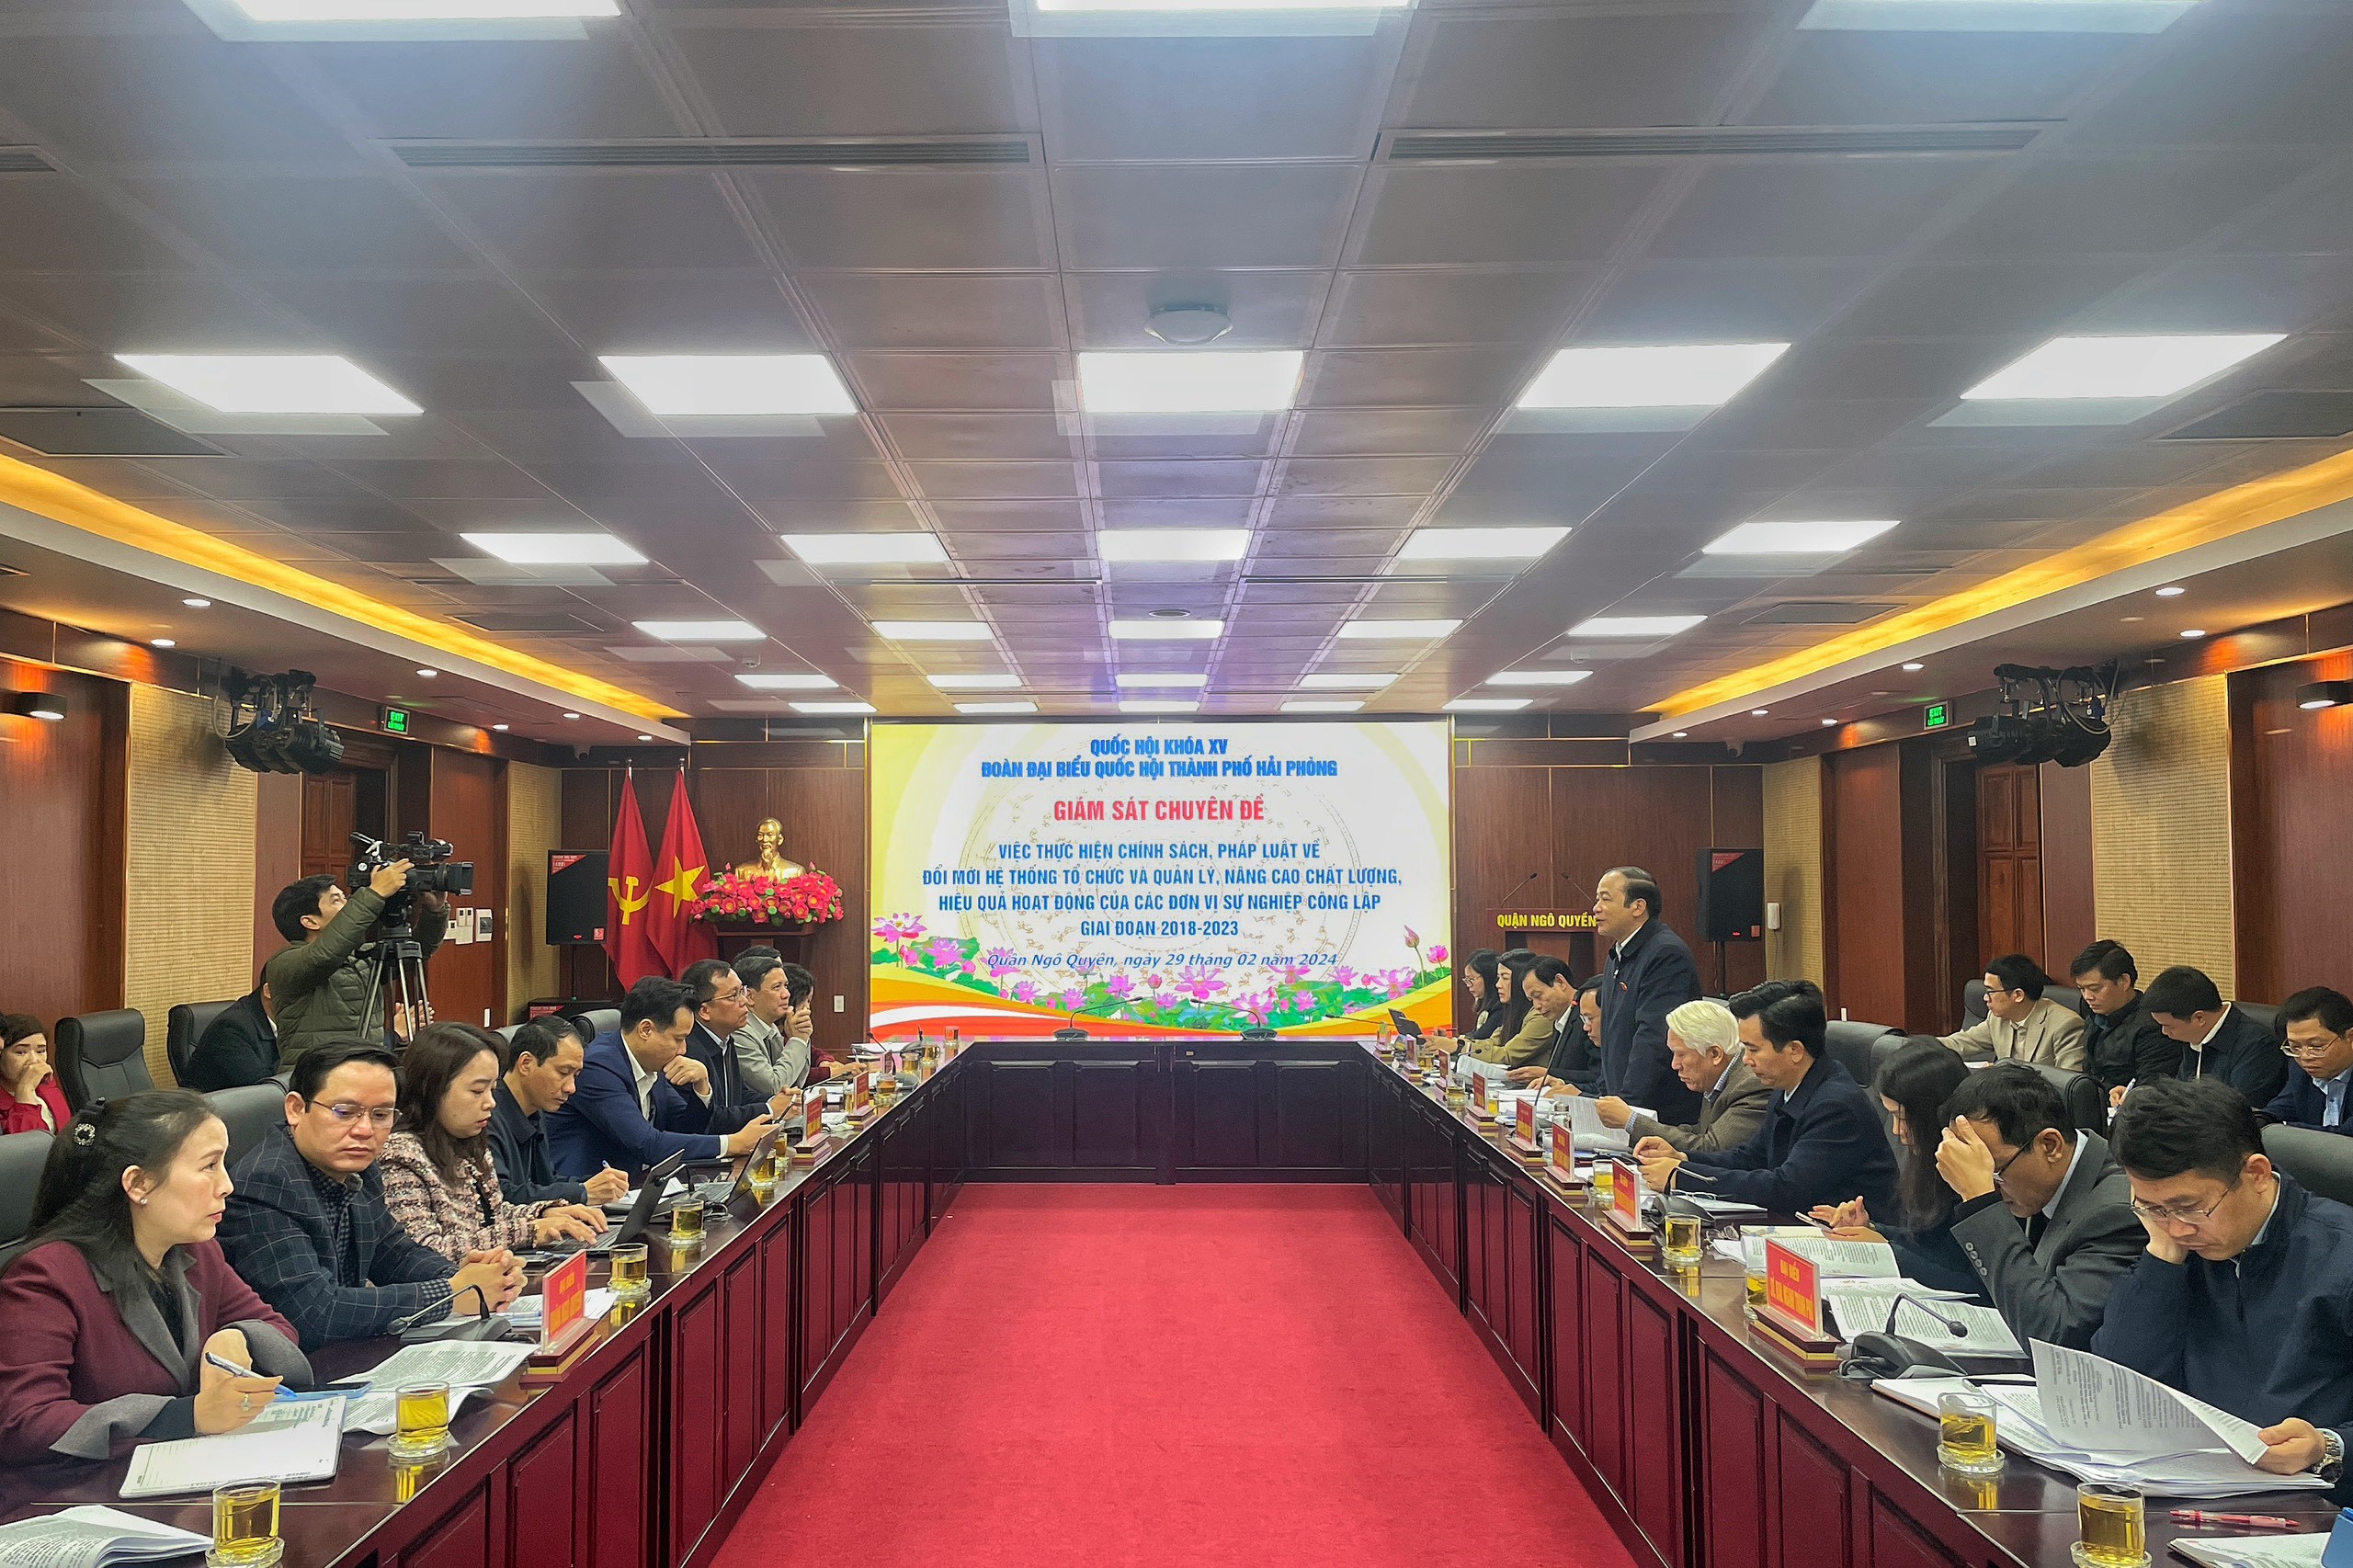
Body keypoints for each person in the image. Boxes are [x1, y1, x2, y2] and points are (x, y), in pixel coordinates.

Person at [0, 1092, 310, 1463]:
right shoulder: (46, 1276)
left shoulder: (195, 1251)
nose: (227, 1185)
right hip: (87, 1486)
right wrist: (184, 1415)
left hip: (188, 1468)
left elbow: (278, 1327)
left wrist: (236, 1337)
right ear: (139, 1184)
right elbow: (24, 1422)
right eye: (209, 1166)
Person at [2093, 1077, 2353, 1486]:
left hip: (2307, 1500)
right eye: (2151, 1207)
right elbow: (2120, 1385)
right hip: (2187, 1481)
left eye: (2189, 1207)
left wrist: (2330, 1446)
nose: (2177, 1228)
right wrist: (2162, 1257)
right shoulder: (2179, 1246)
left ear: (2257, 1174)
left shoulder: (2342, 1257)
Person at [217, 1040, 522, 1349]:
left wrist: (471, 1277)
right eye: (345, 1112)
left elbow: (393, 1252)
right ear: (296, 1109)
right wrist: (451, 1293)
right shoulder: (265, 1184)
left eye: (380, 1115)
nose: (364, 1130)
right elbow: (314, 1314)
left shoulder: (359, 1167)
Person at [1639, 980, 1898, 1218]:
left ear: (1795, 1050)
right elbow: (1750, 1158)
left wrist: (1682, 1177)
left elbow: (1786, 1189)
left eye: (1753, 1049)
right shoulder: (1789, 1087)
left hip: (1846, 1239)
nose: (1746, 1060)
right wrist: (1682, 1158)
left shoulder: (1836, 1107)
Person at [1932, 1064, 2143, 1348]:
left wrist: (1980, 1200)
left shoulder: (2116, 1212)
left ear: (2050, 1145)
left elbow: (2052, 1334)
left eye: (1994, 1172)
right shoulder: (2040, 1183)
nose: (1991, 1188)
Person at [380, 1025, 606, 1264]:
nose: (491, 1103)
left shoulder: (468, 1142)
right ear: (432, 1088)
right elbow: (423, 1252)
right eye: (478, 1091)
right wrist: (529, 1230)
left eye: (492, 1090)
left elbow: (495, 1214)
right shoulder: (400, 1157)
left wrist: (544, 1213)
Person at [546, 977, 777, 1181]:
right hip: (583, 1193)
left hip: (634, 1187)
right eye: (678, 1039)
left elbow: (685, 1129)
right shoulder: (598, 1068)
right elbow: (648, 1144)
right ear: (646, 1030)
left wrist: (702, 1086)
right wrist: (733, 1143)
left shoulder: (651, 1065)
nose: (683, 1050)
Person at [1813, 1040, 1978, 1296]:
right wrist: (1870, 1230)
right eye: (1892, 1116)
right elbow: (1927, 1241)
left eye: (1903, 1118)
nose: (1896, 1130)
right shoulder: (1927, 1161)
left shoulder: (1977, 1174)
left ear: (1933, 1114)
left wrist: (1887, 1251)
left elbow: (1975, 1283)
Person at [260, 867, 447, 1069]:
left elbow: (416, 950)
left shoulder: (360, 956)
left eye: (345, 897)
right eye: (336, 900)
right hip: (317, 1075)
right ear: (310, 921)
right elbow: (324, 955)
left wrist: (435, 912)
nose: (348, 905)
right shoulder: (284, 962)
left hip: (364, 1071)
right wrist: (374, 894)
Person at [1593, 867, 1703, 1125]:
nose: (1596, 908)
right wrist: (1604, 1095)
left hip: (1656, 1111)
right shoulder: (1617, 954)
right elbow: (1612, 1035)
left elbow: (1654, 1037)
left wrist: (1627, 1105)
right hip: (1622, 1105)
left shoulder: (1665, 954)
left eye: (1605, 899)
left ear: (1638, 906)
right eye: (1597, 899)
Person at [1591, 998, 1769, 1154]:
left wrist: (1631, 1121)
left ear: (1715, 1054)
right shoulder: (1718, 1077)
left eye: (1680, 1054)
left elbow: (1712, 1148)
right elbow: (1700, 1132)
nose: (1674, 1065)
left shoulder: (1751, 1085)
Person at [492, 1017, 630, 1208]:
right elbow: (501, 1196)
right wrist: (582, 1192)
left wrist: (593, 1185)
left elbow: (545, 1182)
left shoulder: (535, 1109)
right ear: (526, 1063)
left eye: (576, 1075)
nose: (571, 1088)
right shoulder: (485, 1116)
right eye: (563, 1072)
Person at [2142, 965, 2288, 1107]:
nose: (2164, 1032)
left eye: (2169, 1026)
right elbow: (2180, 1094)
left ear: (2199, 1018)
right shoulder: (2195, 1035)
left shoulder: (2258, 1046)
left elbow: (2237, 1110)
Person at [681, 959, 797, 1133]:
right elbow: (711, 1118)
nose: (744, 1001)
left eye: (742, 991)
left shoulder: (725, 1039)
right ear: (704, 1011)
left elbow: (740, 1095)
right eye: (733, 996)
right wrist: (769, 1109)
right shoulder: (688, 1050)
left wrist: (777, 1099)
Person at [2071, 940, 2178, 1107]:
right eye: (2081, 989)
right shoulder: (2091, 1010)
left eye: (2095, 989)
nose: (2087, 997)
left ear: (2124, 981)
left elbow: (2151, 1088)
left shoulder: (2152, 1025)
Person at [1940, 954, 2086, 1072]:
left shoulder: (2065, 1025)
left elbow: (2068, 1084)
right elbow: (1961, 1042)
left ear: (2018, 995)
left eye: (1990, 991)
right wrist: (1927, 1046)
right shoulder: (1998, 1019)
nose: (1985, 998)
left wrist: (2000, 1073)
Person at [2267, 987, 2353, 1134]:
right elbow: (2277, 1111)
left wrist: (2282, 1127)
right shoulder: (2299, 1069)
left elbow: (2347, 1135)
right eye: (2295, 1047)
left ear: (2350, 1037)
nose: (2305, 1056)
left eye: (2316, 1046)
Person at [732, 951, 812, 1097]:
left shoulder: (771, 1027)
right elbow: (773, 1087)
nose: (786, 994)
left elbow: (796, 1083)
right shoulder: (740, 1032)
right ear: (750, 996)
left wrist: (802, 1037)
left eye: (786, 986)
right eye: (777, 987)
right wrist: (797, 1041)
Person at [1514, 976, 1606, 1095]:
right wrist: (1560, 1083)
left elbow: (1597, 1077)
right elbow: (1600, 1087)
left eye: (1538, 996)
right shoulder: (1558, 1021)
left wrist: (1551, 1074)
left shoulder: (1584, 1023)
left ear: (1560, 982)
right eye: (1531, 1000)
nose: (1536, 1006)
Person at [181, 983, 278, 1093]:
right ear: (268, 991)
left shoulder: (285, 1023)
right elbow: (264, 1088)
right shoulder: (229, 1028)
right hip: (214, 1102)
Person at [1467, 950, 1549, 1067]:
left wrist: (1458, 1047)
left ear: (1522, 981)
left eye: (1505, 978)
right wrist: (1456, 1043)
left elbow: (1508, 1055)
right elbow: (1492, 1042)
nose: (1498, 985)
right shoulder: (1512, 1011)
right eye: (1498, 978)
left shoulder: (1540, 1015)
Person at [2, 1013, 69, 1134]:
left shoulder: (46, 1084)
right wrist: (25, 1090)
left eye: (40, 1051)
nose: (34, 1060)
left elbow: (66, 1132)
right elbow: (28, 1143)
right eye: (21, 1052)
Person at [1461, 949, 1505, 1041]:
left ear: (1489, 977)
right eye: (1467, 980)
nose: (1468, 985)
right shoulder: (1487, 1005)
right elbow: (1474, 1034)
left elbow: (1478, 1039)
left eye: (1471, 979)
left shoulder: (1501, 1008)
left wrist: (1449, 1042)